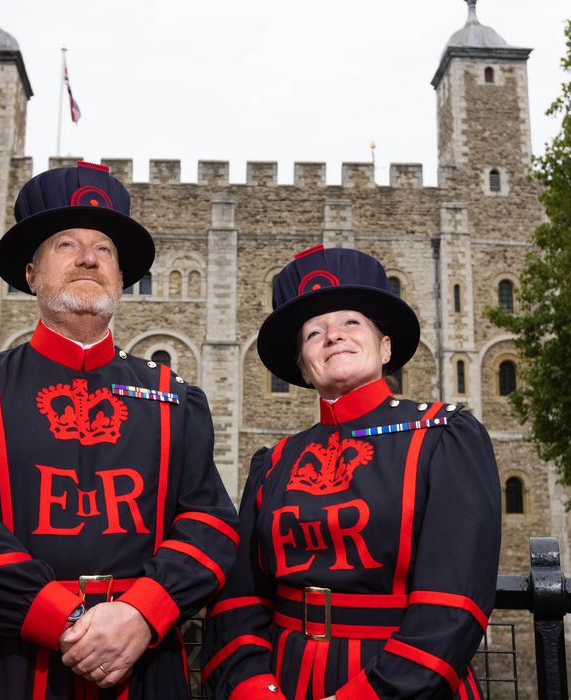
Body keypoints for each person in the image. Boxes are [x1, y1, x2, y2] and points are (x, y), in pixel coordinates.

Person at [0, 161, 238, 699]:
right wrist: (67, 621)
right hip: (6, 662)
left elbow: (210, 523)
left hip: (143, 659)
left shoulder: (176, 397)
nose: (89, 257)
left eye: (104, 248)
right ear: (33, 274)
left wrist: (141, 612)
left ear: (121, 277)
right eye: (66, 244)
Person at [202, 246, 501, 699]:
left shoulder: (445, 437)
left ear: (385, 347)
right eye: (313, 332)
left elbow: (453, 603)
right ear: (303, 366)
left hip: (401, 682)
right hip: (282, 682)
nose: (332, 336)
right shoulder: (274, 462)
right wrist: (253, 689)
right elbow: (240, 599)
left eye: (351, 322)